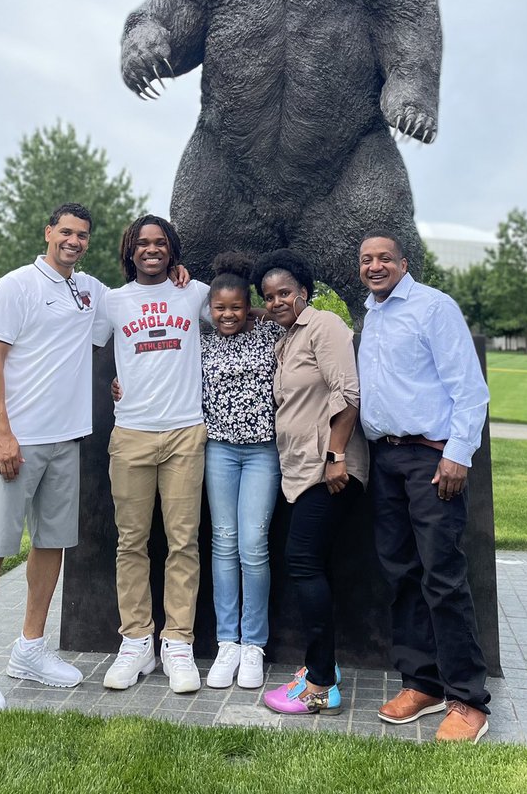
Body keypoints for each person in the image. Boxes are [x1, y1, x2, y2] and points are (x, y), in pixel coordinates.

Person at [0, 204, 111, 711]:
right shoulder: (16, 285)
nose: (74, 241)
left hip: (68, 438)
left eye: (82, 235)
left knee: (51, 544)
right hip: (17, 439)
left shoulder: (90, 291)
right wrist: (2, 432)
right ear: (48, 233)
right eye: (66, 232)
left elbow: (132, 308)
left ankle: (30, 650)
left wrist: (175, 274)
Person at [357, 231, 491, 743]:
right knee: (403, 574)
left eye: (384, 258)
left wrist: (459, 454)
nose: (375, 266)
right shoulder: (372, 315)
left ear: (403, 262)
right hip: (385, 457)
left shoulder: (434, 308)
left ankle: (468, 700)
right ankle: (423, 683)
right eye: (367, 260)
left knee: (443, 577)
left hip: (432, 458)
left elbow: (469, 389)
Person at [255, 248, 368, 718]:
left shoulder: (324, 327)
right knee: (310, 564)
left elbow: (348, 392)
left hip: (330, 471)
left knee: (302, 562)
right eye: (269, 295)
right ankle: (323, 667)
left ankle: (321, 684)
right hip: (303, 471)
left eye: (285, 292)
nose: (277, 301)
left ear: (303, 292)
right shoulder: (286, 340)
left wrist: (336, 456)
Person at [102, 215, 211, 695]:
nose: (151, 249)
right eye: (143, 243)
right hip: (131, 434)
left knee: (183, 542)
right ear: (130, 251)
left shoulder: (195, 293)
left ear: (172, 250)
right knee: (131, 543)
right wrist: (111, 384)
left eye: (160, 243)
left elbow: (239, 316)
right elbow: (86, 350)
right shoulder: (112, 301)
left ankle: (178, 643)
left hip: (185, 432)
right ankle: (136, 642)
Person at [201, 254, 283, 689]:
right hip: (218, 450)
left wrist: (255, 310)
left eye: (237, 307)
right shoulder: (202, 340)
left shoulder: (270, 332)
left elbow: (284, 314)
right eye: (220, 308)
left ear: (248, 306)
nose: (228, 315)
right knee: (224, 542)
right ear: (210, 309)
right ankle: (226, 643)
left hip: (261, 452)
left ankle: (253, 643)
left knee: (253, 544)